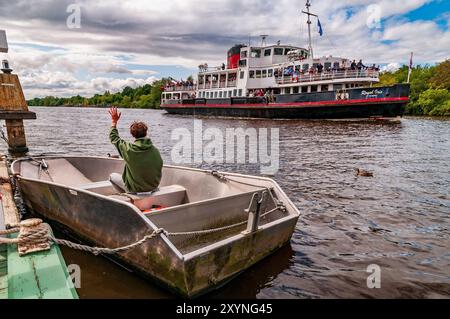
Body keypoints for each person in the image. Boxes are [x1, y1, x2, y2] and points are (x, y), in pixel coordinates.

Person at [108, 107, 163, 194]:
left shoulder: (128, 149)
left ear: (132, 134)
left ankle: (127, 195)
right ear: (146, 132)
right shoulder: (155, 150)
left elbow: (114, 137)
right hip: (153, 188)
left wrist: (114, 121)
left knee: (112, 176)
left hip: (135, 190)